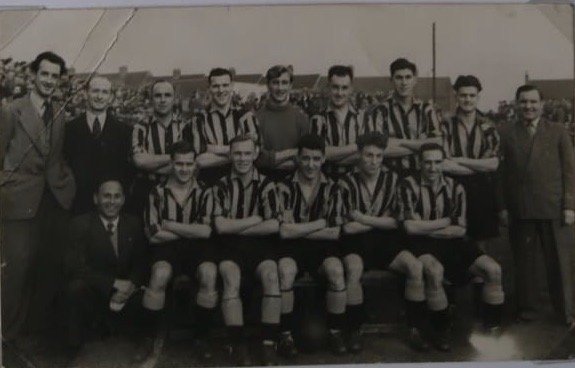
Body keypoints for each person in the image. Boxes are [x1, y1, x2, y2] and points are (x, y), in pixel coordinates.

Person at [397, 143, 505, 351]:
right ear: (419, 163)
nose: (433, 168)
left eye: (438, 162)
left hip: (453, 244)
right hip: (421, 245)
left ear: (443, 163)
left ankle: (493, 330)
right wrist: (446, 222)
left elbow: (461, 229)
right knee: (434, 272)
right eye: (427, 162)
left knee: (493, 270)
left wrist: (425, 226)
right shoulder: (407, 186)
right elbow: (410, 228)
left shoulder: (456, 187)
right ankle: (441, 330)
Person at [1, 51, 76, 341]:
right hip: (18, 199)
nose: (48, 80)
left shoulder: (59, 112)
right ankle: (6, 334)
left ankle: (34, 331)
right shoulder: (10, 110)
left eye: (54, 76)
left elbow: (55, 156)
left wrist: (66, 184)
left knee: (45, 264)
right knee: (17, 266)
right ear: (33, 75)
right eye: (44, 74)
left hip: (52, 198)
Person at [339, 132, 428, 352]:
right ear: (359, 154)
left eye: (379, 156)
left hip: (386, 242)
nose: (374, 161)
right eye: (369, 155)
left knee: (415, 267)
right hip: (356, 242)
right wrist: (380, 220)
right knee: (353, 268)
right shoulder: (345, 182)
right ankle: (354, 330)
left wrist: (361, 218)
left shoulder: (393, 179)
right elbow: (347, 227)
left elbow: (396, 223)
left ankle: (415, 329)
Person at [498, 84, 575, 326]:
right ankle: (527, 309)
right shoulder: (505, 132)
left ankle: (566, 312)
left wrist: (569, 205)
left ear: (542, 104)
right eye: (523, 102)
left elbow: (569, 171)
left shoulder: (558, 131)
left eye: (533, 102)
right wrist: (502, 206)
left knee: (560, 263)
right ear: (516, 104)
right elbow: (499, 175)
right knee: (524, 262)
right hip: (521, 208)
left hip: (553, 206)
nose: (528, 107)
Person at [142, 140, 217, 360]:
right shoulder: (156, 193)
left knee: (209, 273)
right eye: (179, 164)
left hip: (197, 249)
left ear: (196, 165)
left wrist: (170, 225)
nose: (184, 169)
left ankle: (201, 338)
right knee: (160, 274)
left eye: (188, 164)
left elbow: (206, 232)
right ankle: (148, 337)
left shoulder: (205, 192)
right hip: (167, 248)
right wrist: (190, 230)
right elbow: (153, 235)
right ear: (171, 165)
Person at [65, 179, 152, 362]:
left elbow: (141, 263)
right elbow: (74, 267)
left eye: (116, 196)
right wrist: (112, 284)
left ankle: (142, 340)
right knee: (75, 288)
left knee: (151, 291)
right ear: (96, 199)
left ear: (123, 200)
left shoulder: (133, 224)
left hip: (126, 293)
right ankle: (73, 345)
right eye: (106, 196)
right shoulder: (80, 224)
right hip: (97, 292)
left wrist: (130, 286)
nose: (111, 202)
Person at [212, 135, 281, 366]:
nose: (242, 158)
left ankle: (269, 345)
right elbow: (220, 227)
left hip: (260, 247)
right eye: (237, 153)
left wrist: (236, 227)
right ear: (230, 155)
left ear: (255, 154)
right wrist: (253, 219)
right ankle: (238, 345)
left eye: (247, 153)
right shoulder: (220, 185)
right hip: (229, 249)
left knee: (272, 276)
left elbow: (274, 225)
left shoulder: (266, 184)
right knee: (231, 279)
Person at [276, 134, 347, 356]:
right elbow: (284, 232)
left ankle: (336, 331)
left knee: (336, 271)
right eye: (305, 158)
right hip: (292, 248)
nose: (311, 164)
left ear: (324, 159)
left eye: (316, 159)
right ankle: (285, 335)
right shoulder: (284, 186)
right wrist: (319, 224)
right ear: (297, 159)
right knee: (285, 271)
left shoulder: (333, 188)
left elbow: (335, 232)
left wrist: (300, 229)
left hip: (323, 248)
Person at [440, 75, 500, 246]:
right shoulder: (445, 124)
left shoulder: (488, 126)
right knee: (452, 241)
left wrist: (459, 160)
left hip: (481, 190)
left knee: (480, 245)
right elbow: (443, 163)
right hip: (451, 188)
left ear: (478, 97)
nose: (468, 100)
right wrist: (479, 165)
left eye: (472, 95)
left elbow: (493, 164)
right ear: (456, 97)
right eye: (463, 95)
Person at [64, 75, 134, 216]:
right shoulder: (69, 129)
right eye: (95, 91)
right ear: (85, 93)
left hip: (113, 210)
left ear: (111, 97)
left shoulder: (125, 131)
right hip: (78, 209)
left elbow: (128, 174)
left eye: (104, 92)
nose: (99, 97)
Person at [131, 80, 200, 214]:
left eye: (167, 95)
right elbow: (139, 161)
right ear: (151, 99)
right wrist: (176, 159)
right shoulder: (140, 127)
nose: (163, 100)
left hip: (179, 192)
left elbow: (193, 166)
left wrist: (150, 165)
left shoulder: (186, 127)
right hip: (146, 191)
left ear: (174, 98)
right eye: (158, 95)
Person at [368, 58, 441, 177]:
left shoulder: (427, 109)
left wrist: (397, 142)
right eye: (399, 77)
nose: (404, 82)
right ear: (391, 80)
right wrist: (421, 144)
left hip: (421, 177)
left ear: (415, 80)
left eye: (408, 77)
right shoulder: (380, 111)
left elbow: (437, 145)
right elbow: (377, 149)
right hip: (389, 176)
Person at [196, 68, 260, 184]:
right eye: (216, 86)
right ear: (209, 88)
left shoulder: (247, 117)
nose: (221, 90)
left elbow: (255, 153)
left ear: (232, 86)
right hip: (210, 185)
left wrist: (211, 148)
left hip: (243, 186)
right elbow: (199, 160)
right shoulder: (198, 120)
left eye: (225, 85)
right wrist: (239, 153)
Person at [310, 65, 370, 179]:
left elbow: (367, 154)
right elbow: (316, 155)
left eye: (344, 88)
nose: (339, 93)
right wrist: (356, 147)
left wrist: (330, 156)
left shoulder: (362, 117)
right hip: (327, 185)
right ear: (328, 87)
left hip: (357, 185)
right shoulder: (317, 119)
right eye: (335, 87)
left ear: (351, 88)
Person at [256, 65, 310, 181]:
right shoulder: (257, 117)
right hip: (264, 181)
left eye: (284, 83)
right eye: (275, 83)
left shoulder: (301, 118)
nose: (280, 88)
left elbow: (305, 157)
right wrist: (291, 152)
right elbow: (257, 158)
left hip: (294, 182)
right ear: (268, 85)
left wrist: (270, 160)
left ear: (290, 86)